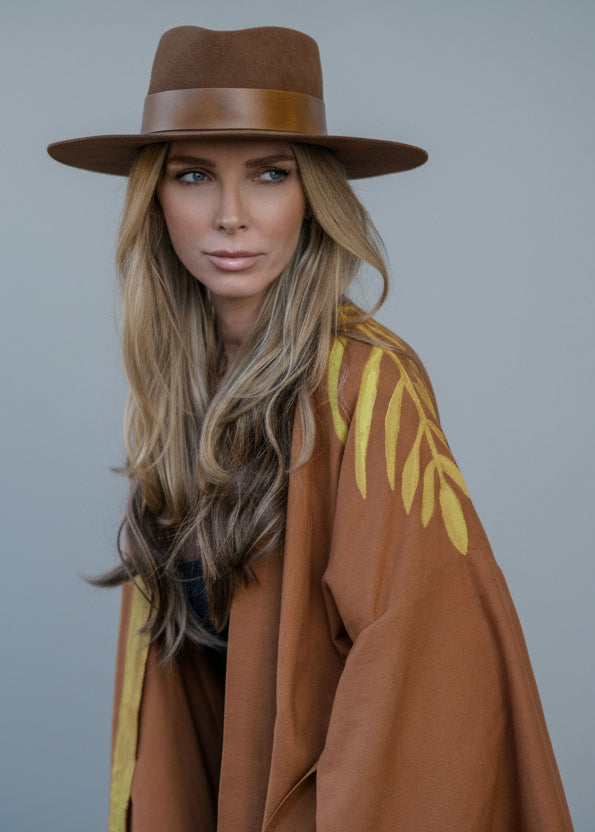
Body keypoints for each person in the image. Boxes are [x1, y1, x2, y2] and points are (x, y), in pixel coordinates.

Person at [47, 25, 574, 832]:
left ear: (312, 196)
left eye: (268, 175)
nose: (230, 216)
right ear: (154, 199)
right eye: (194, 176)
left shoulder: (365, 383)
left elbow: (425, 675)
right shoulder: (177, 393)